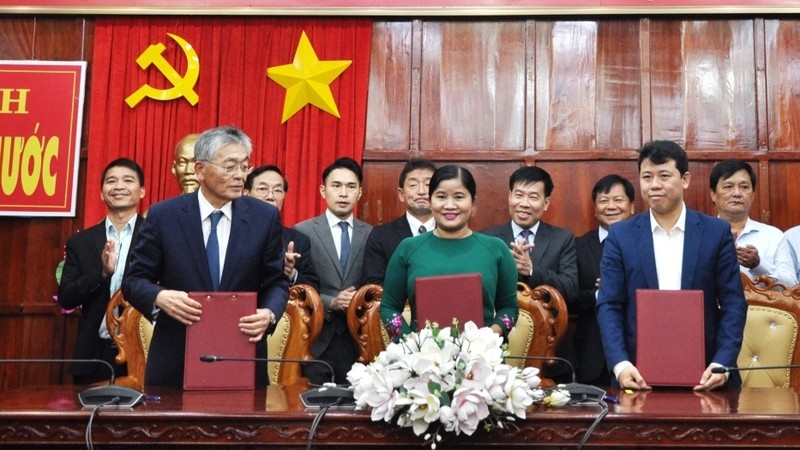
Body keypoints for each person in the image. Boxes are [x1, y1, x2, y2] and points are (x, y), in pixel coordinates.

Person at [122, 126, 288, 387]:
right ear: (200, 170)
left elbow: (277, 282)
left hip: (242, 353)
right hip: (176, 356)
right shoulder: (164, 216)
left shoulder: (263, 218)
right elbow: (133, 280)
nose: (239, 176)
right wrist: (159, 296)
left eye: (244, 167)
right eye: (230, 166)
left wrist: (269, 313)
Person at [596, 140, 747, 391]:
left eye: (664, 175)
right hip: (637, 374)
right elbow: (609, 304)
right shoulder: (620, 236)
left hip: (707, 374)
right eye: (647, 176)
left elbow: (733, 303)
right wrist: (621, 365)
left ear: (685, 179)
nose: (654, 185)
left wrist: (722, 362)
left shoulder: (715, 232)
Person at [380, 165, 518, 338]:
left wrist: (489, 337)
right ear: (430, 202)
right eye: (441, 197)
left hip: (482, 358)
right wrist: (410, 342)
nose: (449, 205)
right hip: (421, 359)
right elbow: (389, 307)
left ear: (473, 204)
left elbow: (510, 309)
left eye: (459, 197)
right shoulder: (407, 248)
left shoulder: (496, 249)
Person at [481, 165, 578, 382]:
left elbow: (571, 290)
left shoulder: (562, 239)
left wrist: (531, 270)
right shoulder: (487, 239)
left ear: (546, 203)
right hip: (496, 351)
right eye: (519, 195)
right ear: (509, 197)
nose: (524, 203)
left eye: (533, 197)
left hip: (549, 353)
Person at [57, 158, 146, 384]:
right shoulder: (81, 241)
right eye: (111, 181)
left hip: (144, 354)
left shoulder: (155, 237)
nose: (118, 186)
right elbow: (66, 298)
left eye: (128, 180)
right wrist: (102, 273)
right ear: (101, 193)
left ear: (142, 191)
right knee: (90, 419)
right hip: (93, 357)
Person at [294, 157, 372, 385]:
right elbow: (298, 286)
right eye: (336, 186)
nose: (343, 193)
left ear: (359, 193)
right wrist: (331, 302)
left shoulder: (370, 234)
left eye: (351, 187)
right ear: (323, 190)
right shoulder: (303, 231)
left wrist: (355, 300)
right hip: (316, 338)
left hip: (358, 340)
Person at [574, 174, 635, 386]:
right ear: (594, 209)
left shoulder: (645, 243)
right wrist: (602, 292)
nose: (611, 206)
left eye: (618, 200)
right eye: (603, 200)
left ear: (632, 206)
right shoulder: (578, 246)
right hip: (592, 355)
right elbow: (571, 297)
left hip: (638, 351)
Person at [361, 158, 437, 285]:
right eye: (413, 185)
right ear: (401, 194)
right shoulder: (381, 236)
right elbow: (372, 285)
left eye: (428, 185)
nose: (422, 191)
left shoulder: (452, 233)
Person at [244, 165, 319, 289]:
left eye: (278, 190)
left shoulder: (298, 240)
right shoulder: (232, 233)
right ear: (246, 193)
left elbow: (313, 289)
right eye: (262, 189)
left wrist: (291, 273)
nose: (270, 196)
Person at [709, 159, 783, 280]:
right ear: (713, 194)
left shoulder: (773, 236)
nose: (737, 193)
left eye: (744, 187)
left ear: (753, 195)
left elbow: (790, 287)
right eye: (728, 187)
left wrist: (758, 265)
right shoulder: (700, 235)